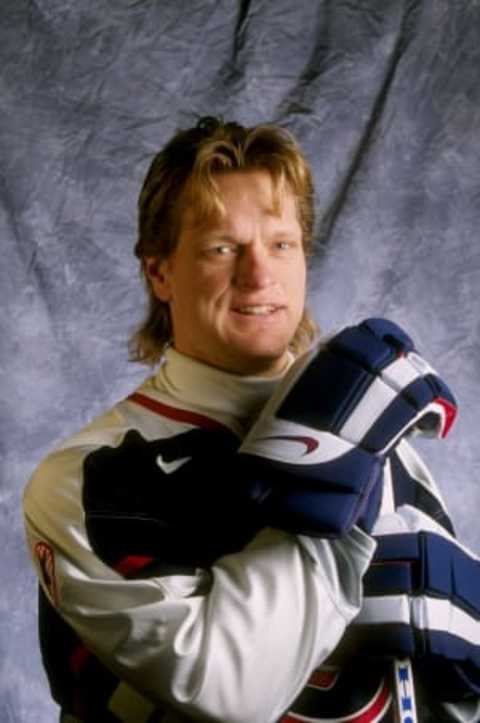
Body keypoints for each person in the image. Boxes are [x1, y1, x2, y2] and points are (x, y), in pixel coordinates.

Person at [23, 117, 480, 723]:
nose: (259, 275)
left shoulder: (384, 429)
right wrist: (326, 460)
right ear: (159, 271)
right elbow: (227, 689)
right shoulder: (84, 481)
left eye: (281, 243)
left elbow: (430, 681)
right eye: (222, 248)